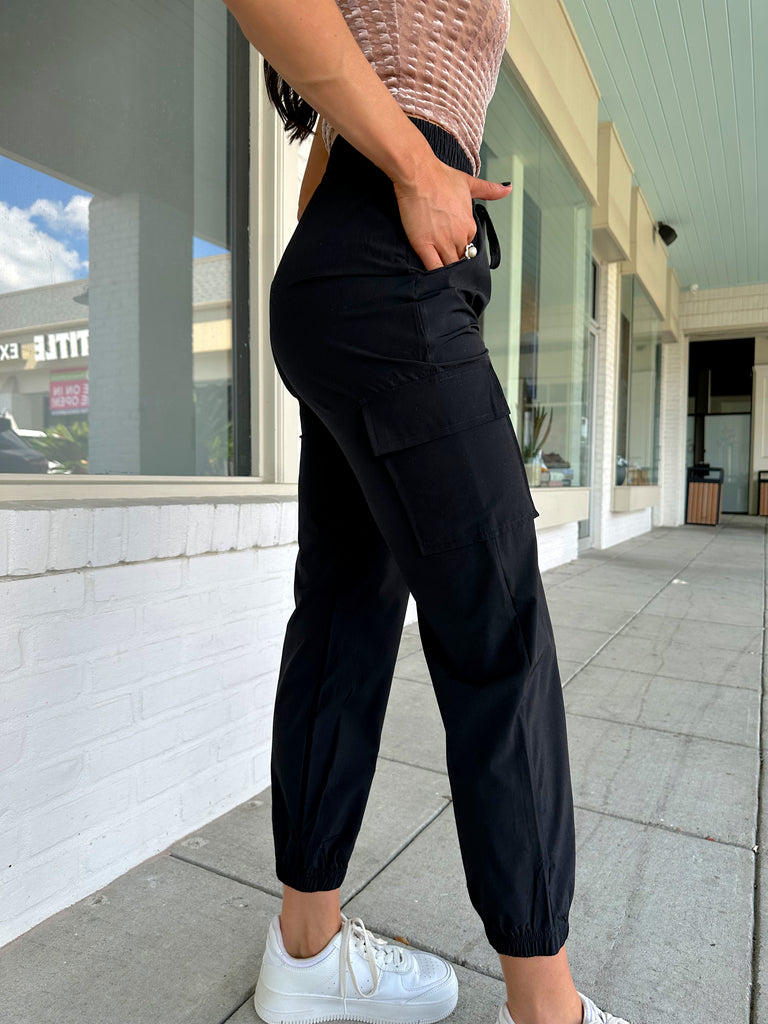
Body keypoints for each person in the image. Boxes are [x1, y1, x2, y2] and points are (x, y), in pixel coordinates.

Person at [221, 2, 630, 1023]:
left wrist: (388, 198)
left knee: (345, 616)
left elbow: (325, 161)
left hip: (355, 272)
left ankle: (307, 952)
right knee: (497, 628)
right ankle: (547, 1009)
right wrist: (414, 168)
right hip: (390, 271)